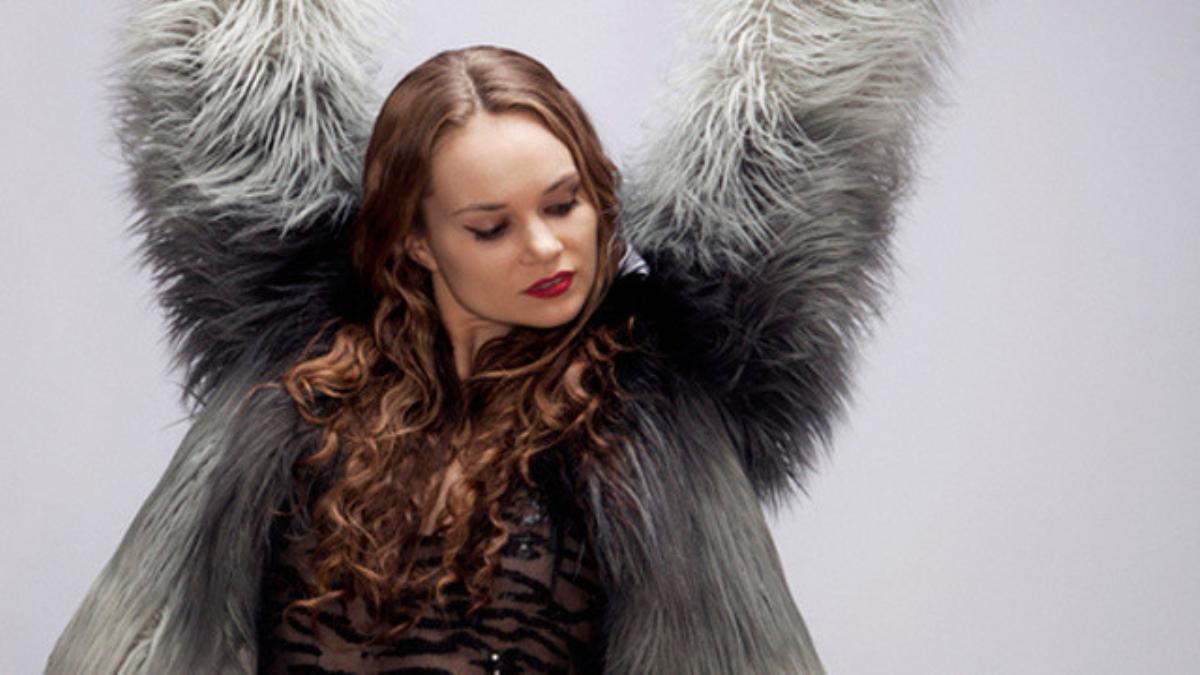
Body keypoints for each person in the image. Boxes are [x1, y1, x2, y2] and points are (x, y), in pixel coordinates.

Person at [46, 1, 954, 673]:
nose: (548, 247)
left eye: (566, 203)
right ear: (415, 239)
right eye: (491, 226)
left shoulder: (657, 402)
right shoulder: (297, 386)